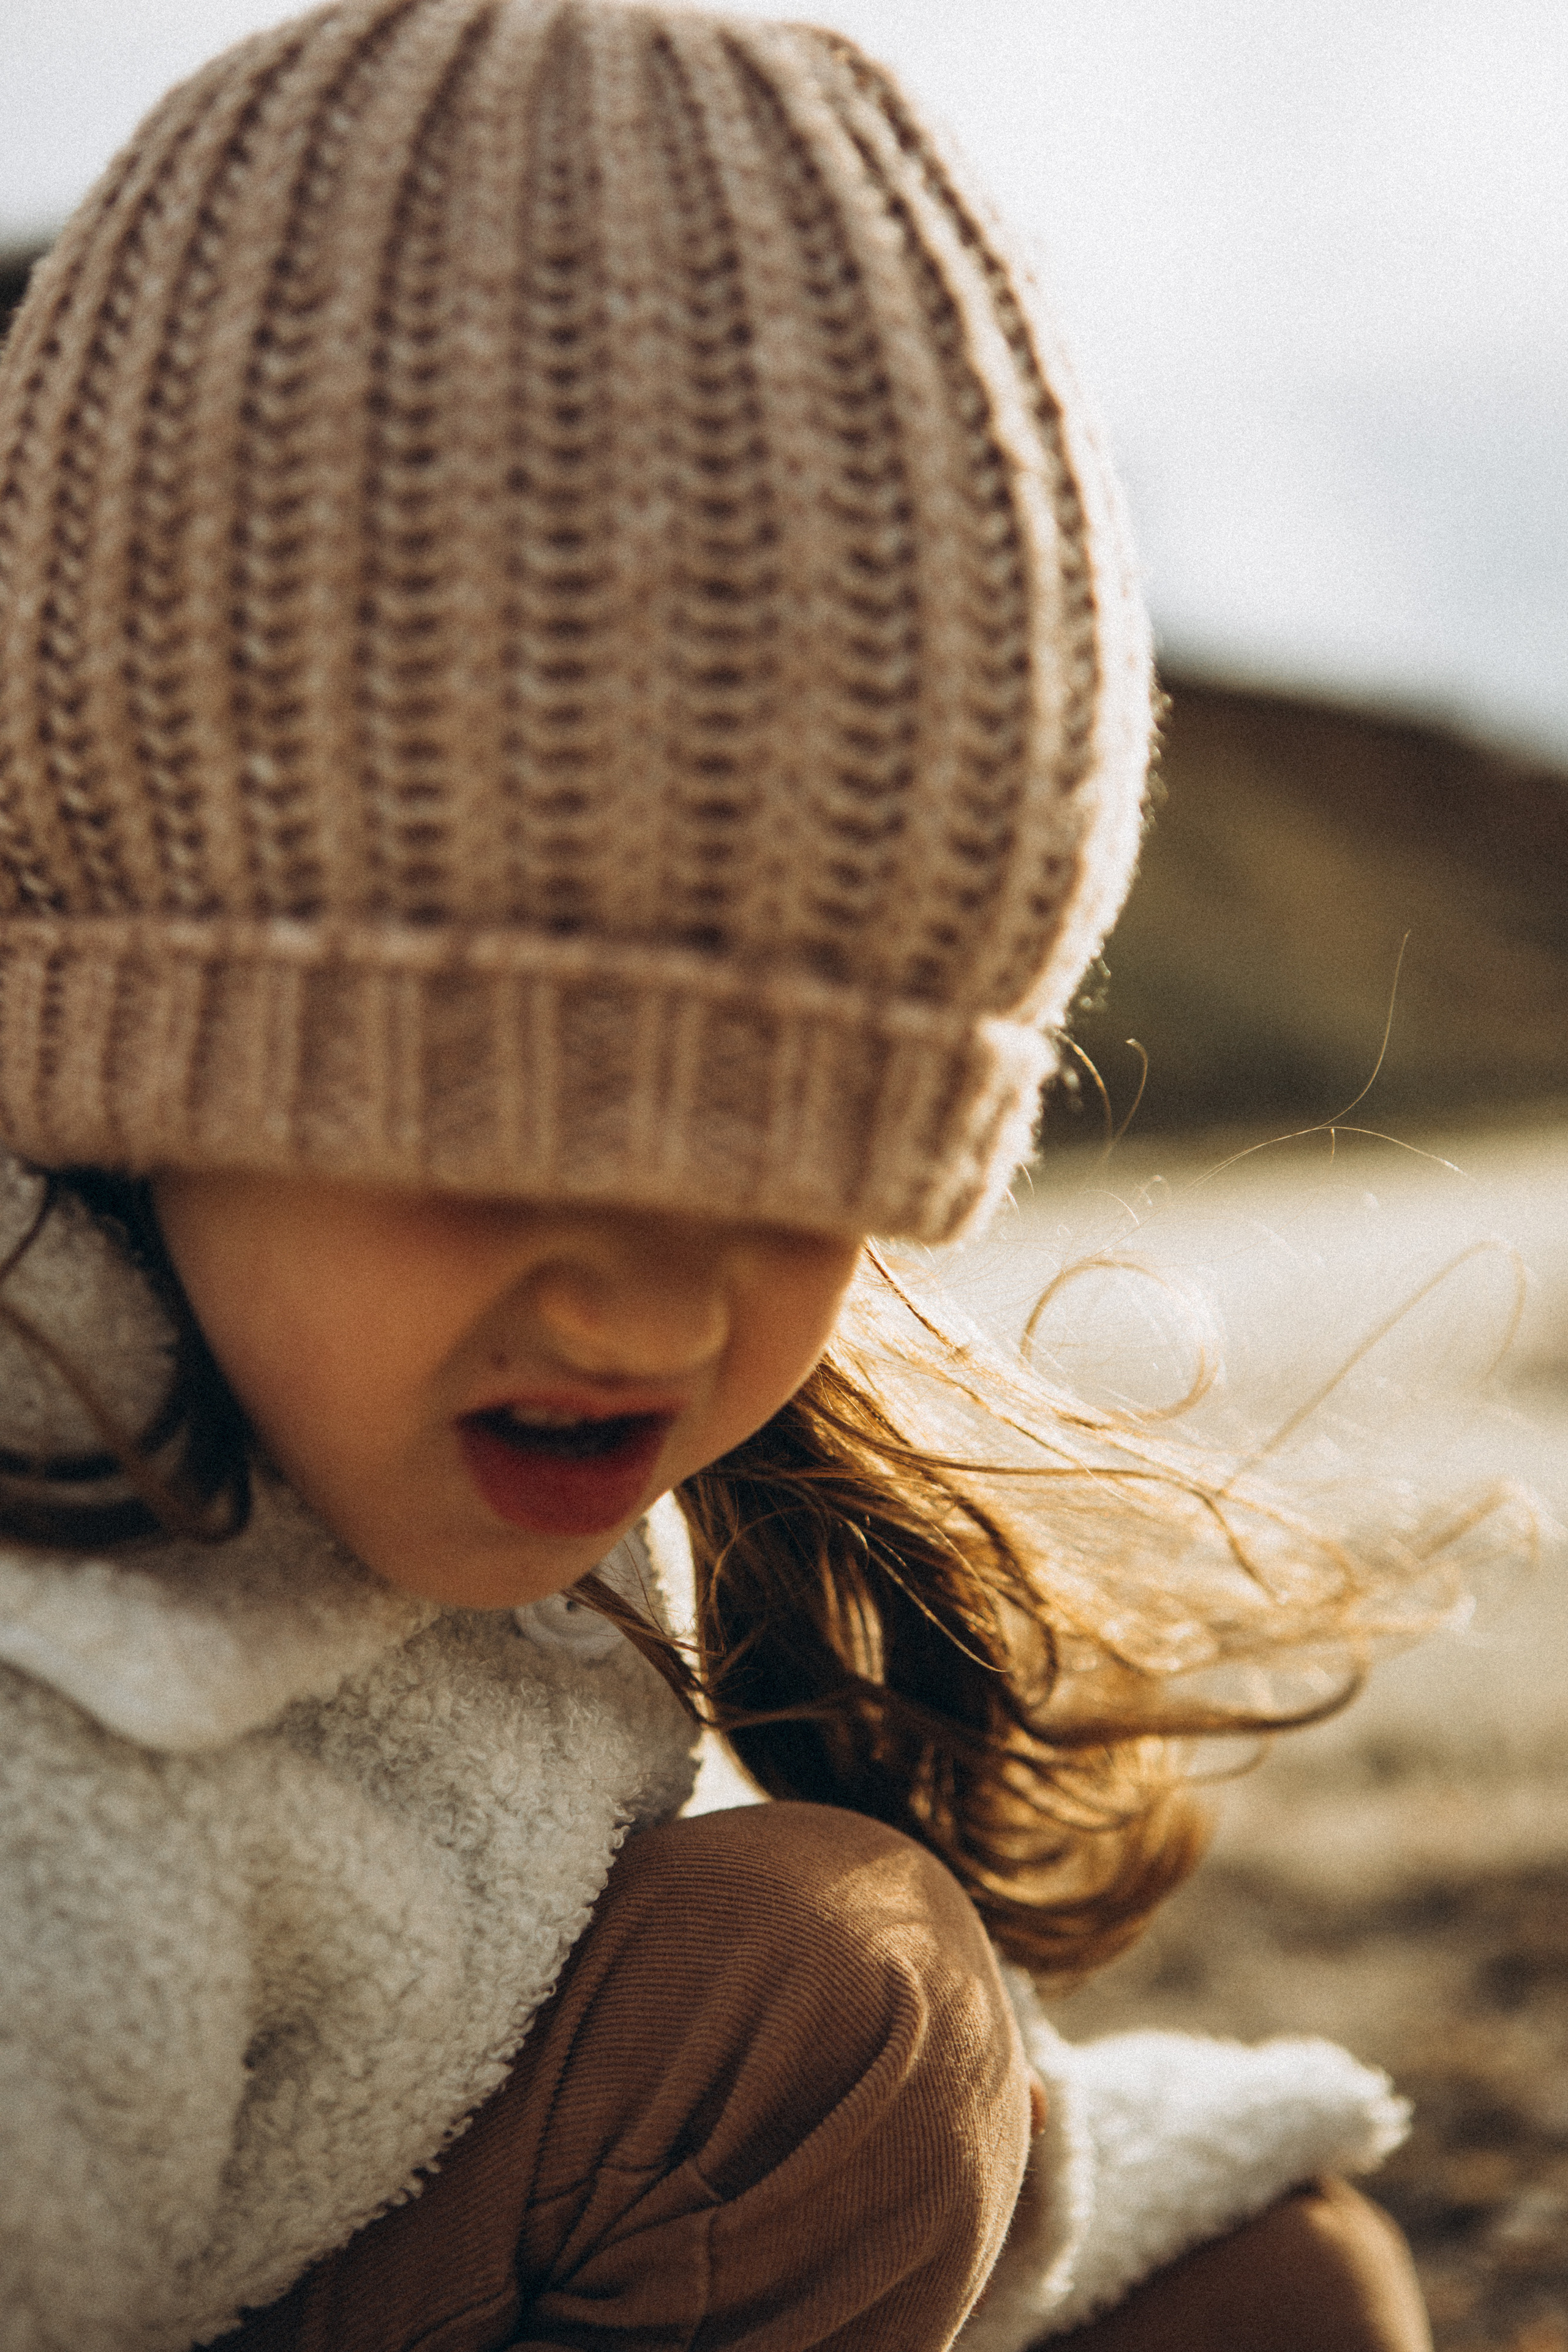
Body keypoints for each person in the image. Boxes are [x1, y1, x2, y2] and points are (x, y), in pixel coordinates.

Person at [0, 3, 1444, 2345]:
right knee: (832, 2005)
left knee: (1284, 2285)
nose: (662, 1313)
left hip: (404, 2206)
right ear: (138, 1049)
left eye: (797, 1169)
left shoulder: (370, 1377)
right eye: (487, 1128)